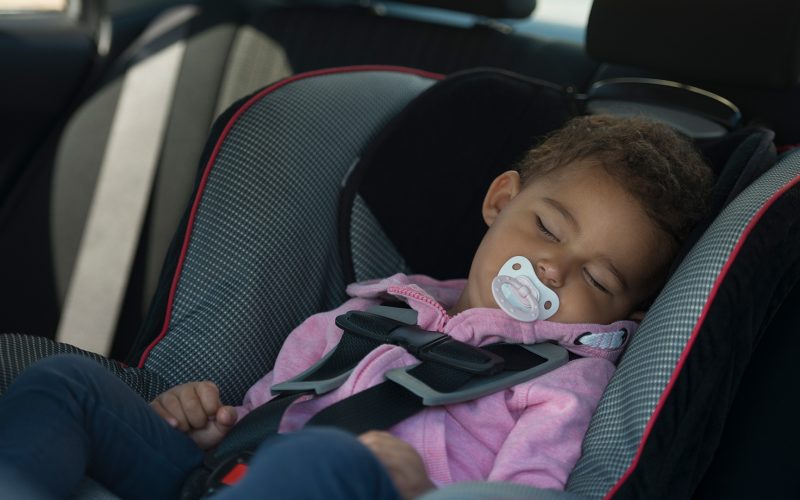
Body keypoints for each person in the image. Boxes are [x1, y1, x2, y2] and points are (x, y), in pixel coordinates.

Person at [0, 115, 714, 499]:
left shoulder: (561, 383)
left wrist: (415, 486)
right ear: (501, 201)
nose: (552, 268)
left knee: (318, 464)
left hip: (352, 488)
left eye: (596, 277)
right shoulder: (365, 314)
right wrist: (214, 426)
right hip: (230, 476)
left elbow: (523, 493)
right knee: (67, 386)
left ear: (624, 317)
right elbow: (268, 413)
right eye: (548, 229)